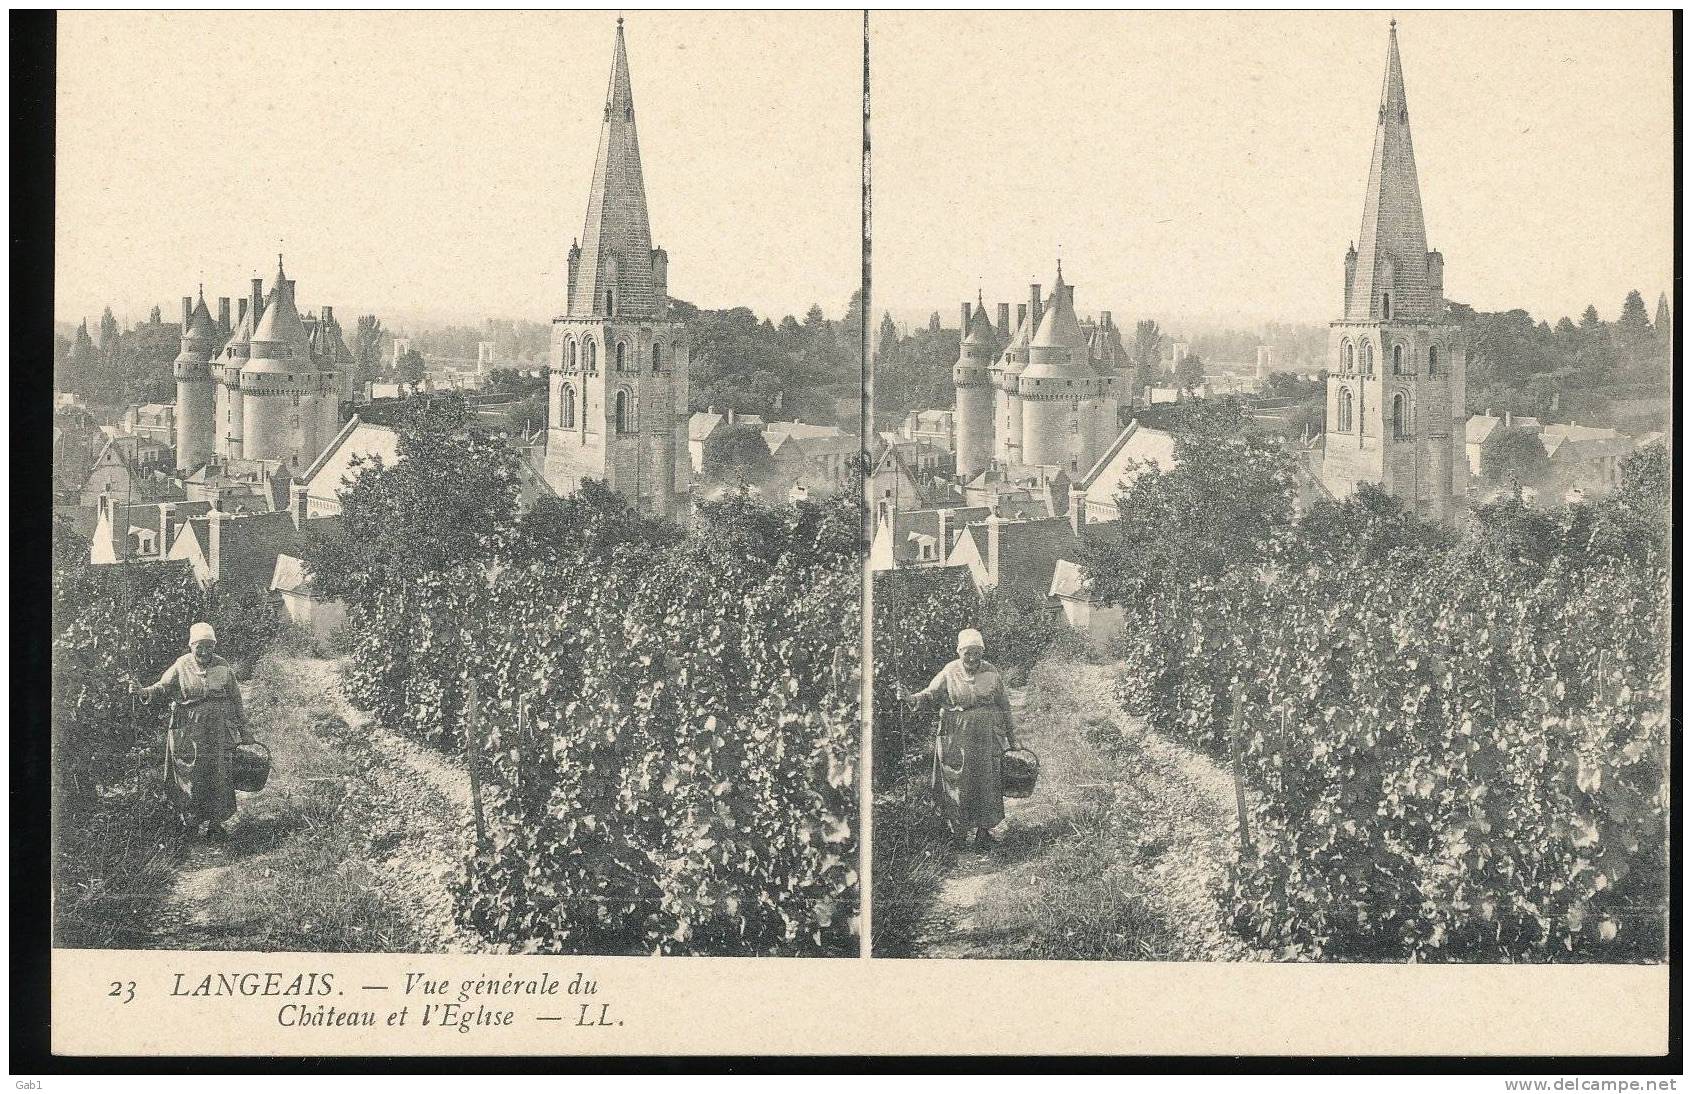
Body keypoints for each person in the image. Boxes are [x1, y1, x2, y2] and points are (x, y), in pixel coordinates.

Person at [903, 628, 1020, 848]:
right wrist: (910, 698)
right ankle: (958, 833)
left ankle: (983, 833)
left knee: (986, 779)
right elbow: (930, 694)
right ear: (959, 652)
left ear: (982, 652)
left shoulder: (991, 671)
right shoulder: (950, 671)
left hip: (986, 736)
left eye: (977, 652)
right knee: (958, 780)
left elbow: (1004, 705)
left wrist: (1012, 738)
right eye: (968, 653)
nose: (973, 658)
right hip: (956, 736)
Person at [134, 622, 250, 840]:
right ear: (191, 646)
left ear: (214, 646)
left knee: (218, 773)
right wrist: (142, 691)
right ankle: (191, 823)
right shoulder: (181, 665)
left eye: (209, 646)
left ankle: (215, 825)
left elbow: (236, 699)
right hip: (187, 729)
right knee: (190, 774)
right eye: (200, 646)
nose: (204, 651)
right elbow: (162, 687)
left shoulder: (223, 666)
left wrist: (244, 730)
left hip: (217, 729)